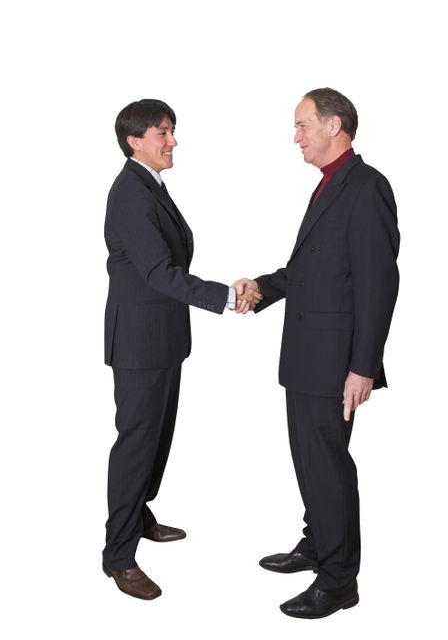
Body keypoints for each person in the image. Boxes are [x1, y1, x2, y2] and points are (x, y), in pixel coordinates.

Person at [234, 88, 400, 619]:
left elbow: (379, 283)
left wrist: (363, 367)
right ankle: (316, 543)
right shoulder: (329, 185)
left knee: (327, 467)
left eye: (303, 125)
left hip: (334, 364)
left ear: (334, 125)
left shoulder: (366, 187)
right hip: (307, 358)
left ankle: (338, 580)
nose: (296, 136)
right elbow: (311, 273)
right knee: (310, 461)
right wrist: (260, 287)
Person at [103, 99, 262, 600]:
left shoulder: (150, 186)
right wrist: (225, 295)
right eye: (163, 133)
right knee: (136, 444)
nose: (172, 141)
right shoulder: (131, 192)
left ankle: (139, 512)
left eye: (172, 131)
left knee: (157, 437)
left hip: (164, 338)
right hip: (140, 342)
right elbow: (155, 272)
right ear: (134, 140)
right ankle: (119, 555)